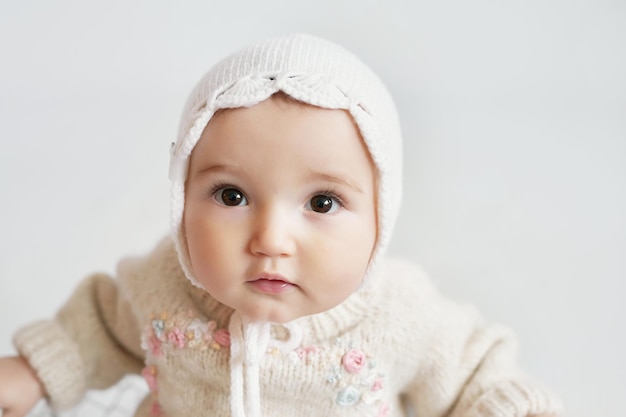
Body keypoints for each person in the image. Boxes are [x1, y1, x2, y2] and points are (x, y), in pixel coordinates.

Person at [0, 34, 563, 417]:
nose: (270, 240)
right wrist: (35, 371)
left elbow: (473, 371)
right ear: (181, 198)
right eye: (232, 194)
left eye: (321, 203)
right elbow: (100, 325)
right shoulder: (163, 286)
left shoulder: (399, 312)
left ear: (381, 215)